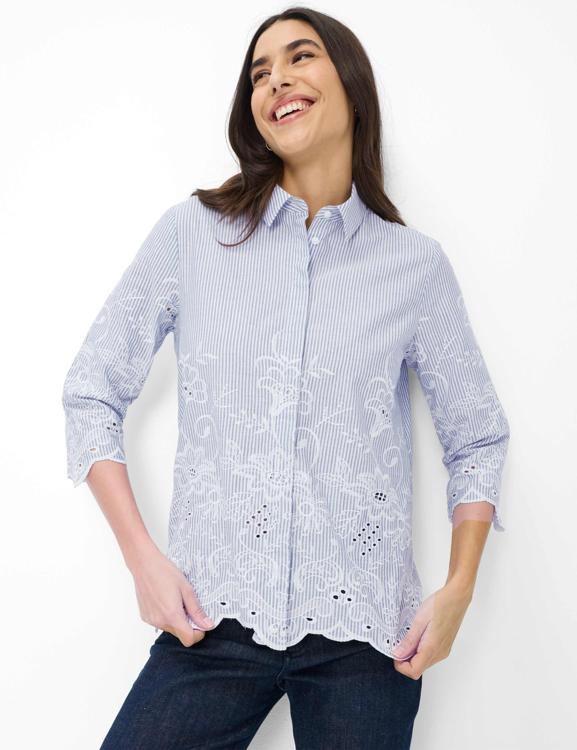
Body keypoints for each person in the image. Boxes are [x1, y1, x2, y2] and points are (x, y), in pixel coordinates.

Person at [61, 7, 510, 749]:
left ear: (350, 83)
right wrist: (142, 560)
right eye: (259, 73)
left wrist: (459, 590)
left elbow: (477, 439)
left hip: (365, 637)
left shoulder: (414, 267)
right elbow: (90, 390)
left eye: (300, 57)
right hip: (212, 620)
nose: (276, 81)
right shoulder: (193, 235)